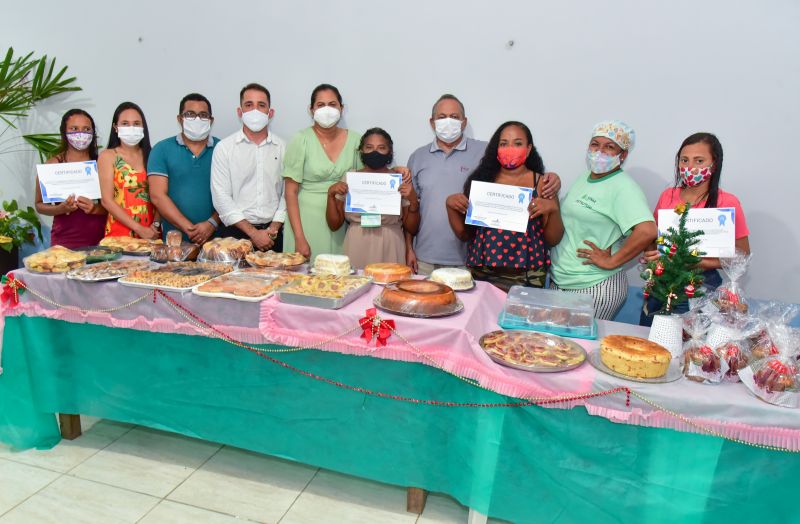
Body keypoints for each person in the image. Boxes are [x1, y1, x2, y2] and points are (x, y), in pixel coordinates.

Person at [407, 94, 560, 275]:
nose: (509, 149)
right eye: (442, 117)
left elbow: (552, 238)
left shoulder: (483, 153)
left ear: (464, 122)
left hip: (511, 270)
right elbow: (412, 208)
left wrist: (553, 183)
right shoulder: (418, 157)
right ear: (432, 122)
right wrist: (409, 246)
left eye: (454, 117)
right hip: (460, 263)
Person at [639, 132, 750, 326]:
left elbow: (742, 254)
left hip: (700, 287)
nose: (690, 167)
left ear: (714, 164)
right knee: (651, 342)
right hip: (663, 284)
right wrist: (651, 256)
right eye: (684, 160)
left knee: (690, 347)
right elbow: (653, 238)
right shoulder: (668, 196)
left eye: (699, 161)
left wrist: (699, 262)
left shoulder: (727, 202)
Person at [549, 120, 657, 320]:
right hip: (563, 281)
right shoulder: (585, 178)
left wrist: (612, 261)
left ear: (622, 155)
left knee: (580, 349)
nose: (599, 151)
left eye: (609, 147)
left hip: (594, 286)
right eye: (595, 144)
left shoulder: (623, 187)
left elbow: (647, 231)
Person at [445, 121, 563, 291]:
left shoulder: (542, 184)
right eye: (504, 143)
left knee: (519, 318)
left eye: (518, 143)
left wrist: (552, 209)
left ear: (529, 149)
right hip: (483, 272)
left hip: (527, 275)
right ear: (496, 148)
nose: (510, 148)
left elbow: (553, 240)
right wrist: (450, 206)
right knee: (483, 317)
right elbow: (465, 235)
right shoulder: (482, 182)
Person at [283, 84, 361, 257]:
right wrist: (299, 237)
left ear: (342, 108)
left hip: (341, 223)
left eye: (332, 104)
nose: (327, 110)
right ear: (311, 110)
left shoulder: (356, 140)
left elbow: (369, 177)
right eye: (320, 105)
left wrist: (396, 171)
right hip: (305, 222)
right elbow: (290, 192)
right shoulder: (300, 139)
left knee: (339, 279)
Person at [325, 128, 419, 269]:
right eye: (369, 147)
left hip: (391, 243)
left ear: (390, 151)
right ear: (361, 151)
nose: (375, 152)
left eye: (381, 148)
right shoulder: (350, 178)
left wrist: (413, 200)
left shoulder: (399, 181)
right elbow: (334, 225)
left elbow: (412, 228)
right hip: (357, 242)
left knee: (389, 287)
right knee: (356, 287)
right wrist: (331, 195)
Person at [211, 83, 285, 251]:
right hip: (234, 234)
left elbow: (287, 194)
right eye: (249, 105)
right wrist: (253, 233)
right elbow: (221, 197)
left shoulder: (283, 148)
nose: (255, 111)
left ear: (270, 112)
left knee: (276, 278)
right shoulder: (224, 148)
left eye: (261, 105)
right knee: (231, 279)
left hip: (273, 235)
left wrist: (273, 228)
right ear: (240, 112)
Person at [148, 93, 220, 244]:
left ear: (211, 120)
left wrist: (211, 224)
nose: (197, 119)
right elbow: (157, 196)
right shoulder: (161, 149)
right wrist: (189, 229)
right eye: (190, 114)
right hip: (175, 243)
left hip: (218, 242)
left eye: (203, 115)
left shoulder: (223, 149)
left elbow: (233, 194)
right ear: (180, 119)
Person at [34, 109, 107, 249]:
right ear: (64, 132)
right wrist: (60, 209)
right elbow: (39, 205)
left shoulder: (102, 164)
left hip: (102, 240)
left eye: (86, 129)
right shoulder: (52, 165)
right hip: (64, 241)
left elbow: (115, 205)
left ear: (93, 133)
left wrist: (95, 209)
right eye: (74, 129)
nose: (81, 134)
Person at [99, 102, 159, 239]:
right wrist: (139, 229)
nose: (131, 128)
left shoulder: (154, 155)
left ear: (143, 127)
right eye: (125, 123)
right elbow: (106, 201)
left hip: (152, 233)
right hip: (119, 235)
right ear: (116, 127)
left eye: (136, 123)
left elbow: (161, 195)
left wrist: (155, 225)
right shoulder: (108, 156)